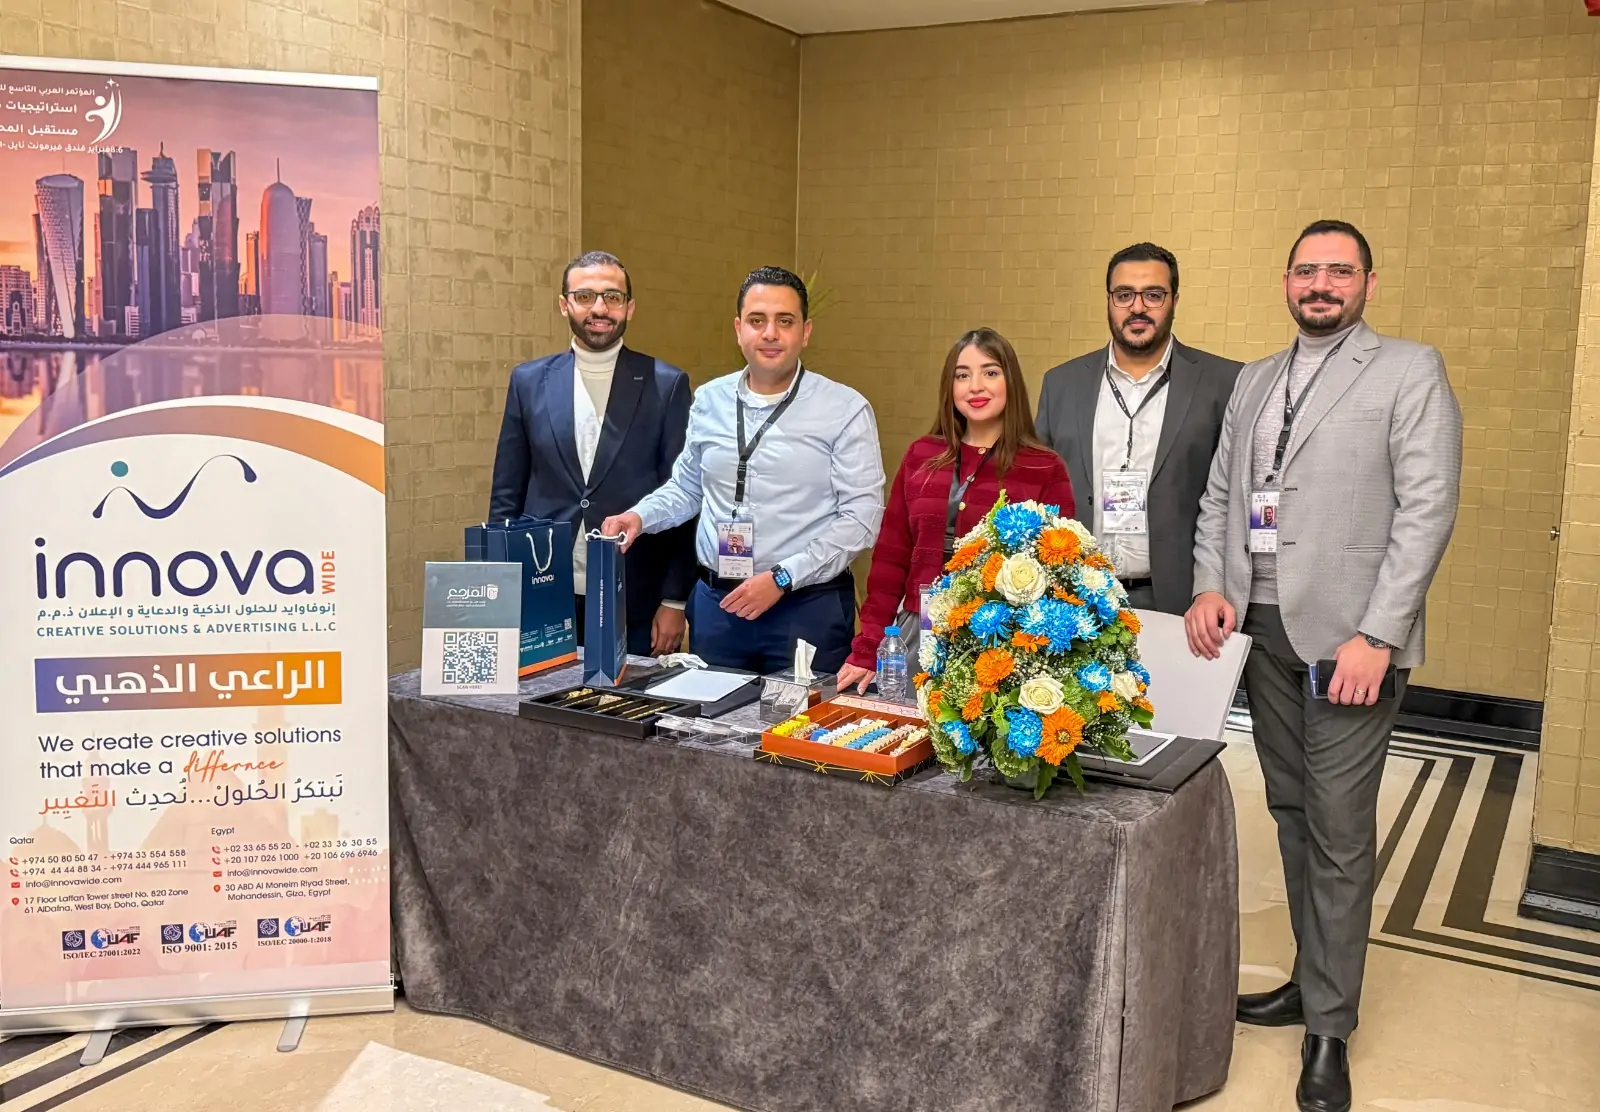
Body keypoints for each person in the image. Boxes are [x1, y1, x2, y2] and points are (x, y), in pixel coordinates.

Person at [1185, 220, 1462, 1112]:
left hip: (1350, 645)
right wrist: (1212, 585)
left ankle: (1330, 1029)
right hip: (1261, 631)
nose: (1321, 284)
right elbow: (1223, 495)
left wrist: (1379, 636)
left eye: (1339, 271)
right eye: (1306, 270)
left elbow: (1427, 508)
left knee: (1340, 831)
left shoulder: (1408, 370)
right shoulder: (1256, 379)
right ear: (1285, 281)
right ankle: (1311, 980)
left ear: (1368, 284)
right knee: (1294, 810)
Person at [602, 266, 884, 674]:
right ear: (739, 329)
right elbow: (688, 488)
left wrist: (782, 577)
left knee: (800, 716)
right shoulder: (710, 399)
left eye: (784, 321)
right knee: (709, 717)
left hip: (805, 608)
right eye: (757, 320)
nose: (770, 333)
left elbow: (861, 519)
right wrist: (640, 516)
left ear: (805, 332)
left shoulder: (844, 409)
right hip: (719, 607)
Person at [836, 328, 1075, 693]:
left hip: (1002, 643)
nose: (975, 386)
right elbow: (890, 562)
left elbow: (1060, 573)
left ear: (1011, 382)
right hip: (919, 631)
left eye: (990, 372)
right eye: (962, 375)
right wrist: (867, 648)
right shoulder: (921, 456)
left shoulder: (1043, 467)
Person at [489, 250, 696, 657]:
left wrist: (674, 600)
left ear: (629, 308)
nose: (599, 309)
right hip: (543, 589)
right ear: (564, 304)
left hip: (633, 593)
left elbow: (684, 495)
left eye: (612, 297)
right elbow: (506, 493)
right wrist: (500, 585)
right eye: (584, 296)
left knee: (625, 699)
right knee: (542, 695)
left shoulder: (666, 384)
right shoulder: (528, 381)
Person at [1035, 243, 1242, 613]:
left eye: (1153, 295)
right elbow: (1038, 494)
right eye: (1124, 294)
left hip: (1180, 601)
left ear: (1174, 300)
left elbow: (1231, 499)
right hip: (1075, 600)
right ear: (1109, 300)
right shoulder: (1061, 384)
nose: (1137, 307)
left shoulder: (1224, 382)